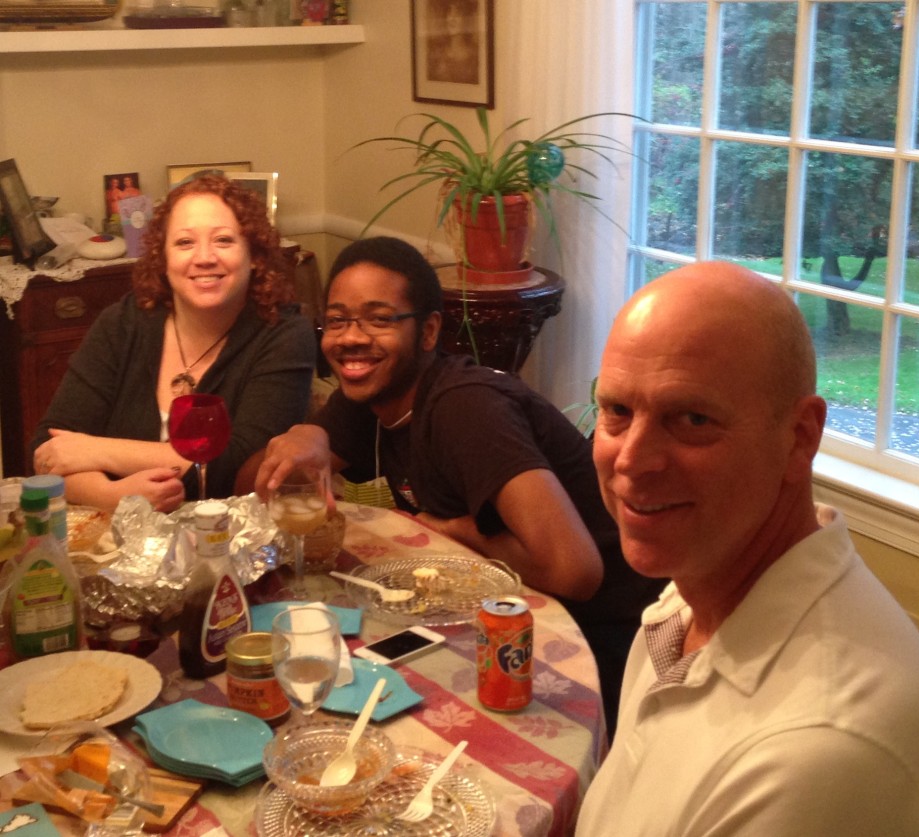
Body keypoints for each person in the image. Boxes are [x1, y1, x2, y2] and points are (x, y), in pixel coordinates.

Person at [575, 261, 919, 835]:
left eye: (692, 419)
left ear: (800, 438)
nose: (632, 460)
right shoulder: (693, 598)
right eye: (617, 410)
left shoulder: (817, 760)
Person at [255, 236, 663, 731]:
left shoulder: (467, 409)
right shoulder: (372, 393)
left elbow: (576, 571)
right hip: (501, 618)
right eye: (338, 320)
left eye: (379, 319)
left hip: (609, 647)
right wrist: (307, 435)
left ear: (428, 331)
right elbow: (263, 481)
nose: (351, 337)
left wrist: (458, 530)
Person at [32, 174, 317, 513]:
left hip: (232, 536)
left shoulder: (284, 335)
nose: (204, 257)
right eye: (184, 243)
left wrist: (96, 450)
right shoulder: (122, 323)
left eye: (224, 240)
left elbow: (237, 467)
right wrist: (114, 495)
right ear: (163, 258)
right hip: (116, 534)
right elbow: (49, 450)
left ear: (254, 254)